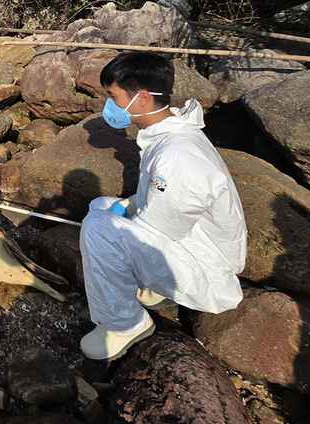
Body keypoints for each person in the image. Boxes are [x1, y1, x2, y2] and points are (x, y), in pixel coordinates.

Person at [79, 52, 247, 360]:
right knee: (101, 206)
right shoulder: (168, 133)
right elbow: (163, 204)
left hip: (206, 266)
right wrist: (127, 208)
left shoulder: (178, 156)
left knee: (98, 228)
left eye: (113, 97)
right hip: (186, 236)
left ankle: (126, 323)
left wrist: (120, 220)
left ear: (141, 98)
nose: (109, 105)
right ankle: (153, 286)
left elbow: (160, 227)